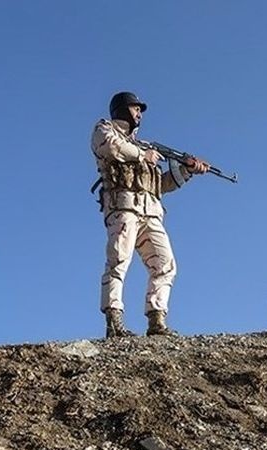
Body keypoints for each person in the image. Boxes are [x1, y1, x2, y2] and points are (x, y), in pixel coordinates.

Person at [90, 91, 209, 338]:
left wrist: (187, 171)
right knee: (118, 261)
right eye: (136, 108)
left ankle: (157, 319)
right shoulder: (105, 129)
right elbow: (110, 146)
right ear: (122, 109)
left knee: (165, 264)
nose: (139, 114)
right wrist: (142, 155)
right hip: (123, 208)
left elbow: (160, 185)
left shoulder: (145, 146)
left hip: (151, 213)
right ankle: (114, 320)